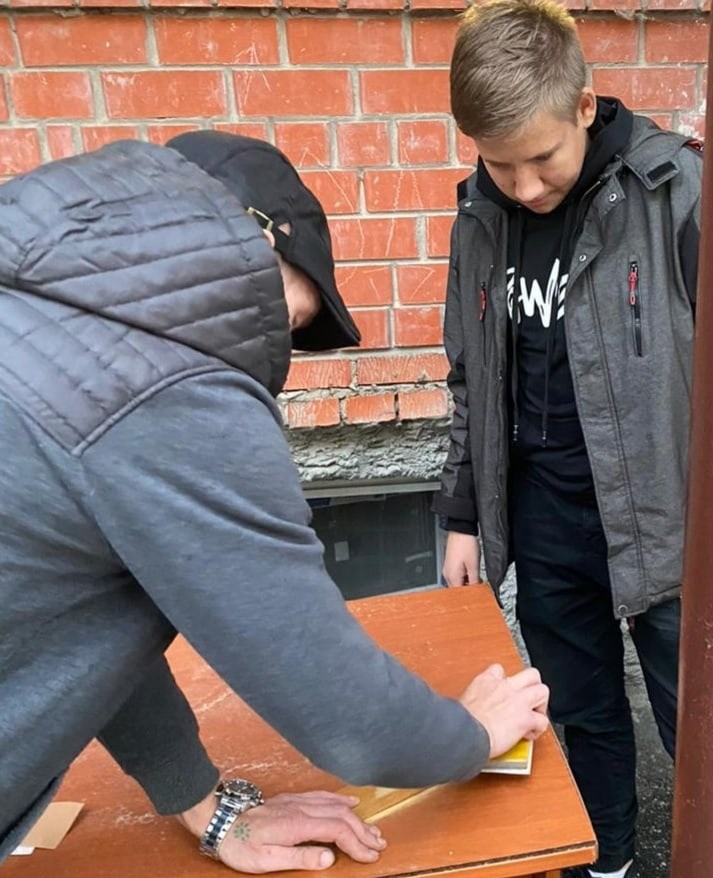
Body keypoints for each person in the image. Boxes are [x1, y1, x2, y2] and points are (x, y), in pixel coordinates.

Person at [0, 130, 551, 871]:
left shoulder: (45, 308)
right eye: (291, 322)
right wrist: (472, 736)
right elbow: (345, 714)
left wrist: (199, 800)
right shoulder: (173, 386)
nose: (281, 359)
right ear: (261, 242)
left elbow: (87, 620)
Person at [433, 3, 702, 877]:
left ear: (584, 105)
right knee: (582, 714)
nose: (522, 186)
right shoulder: (478, 217)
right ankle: (606, 863)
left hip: (668, 521)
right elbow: (470, 377)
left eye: (541, 158)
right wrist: (463, 516)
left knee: (696, 724)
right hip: (543, 518)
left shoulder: (674, 192)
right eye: (496, 162)